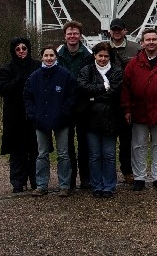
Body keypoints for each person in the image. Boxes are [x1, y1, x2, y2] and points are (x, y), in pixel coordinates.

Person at [121, 27, 157, 191]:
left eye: (154, 39)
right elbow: (126, 88)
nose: (151, 42)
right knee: (138, 145)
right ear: (142, 42)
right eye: (148, 40)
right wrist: (127, 109)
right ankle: (139, 177)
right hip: (139, 110)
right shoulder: (134, 63)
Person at [23, 45, 78, 197]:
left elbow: (72, 95)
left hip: (61, 120)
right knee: (42, 154)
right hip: (41, 121)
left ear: (56, 57)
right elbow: (27, 96)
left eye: (51, 56)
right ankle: (41, 185)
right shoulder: (34, 77)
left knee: (63, 154)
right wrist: (33, 114)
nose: (48, 58)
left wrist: (65, 112)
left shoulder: (65, 75)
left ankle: (64, 185)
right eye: (46, 56)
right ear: (42, 57)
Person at [77, 41, 124, 199]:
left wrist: (93, 97)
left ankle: (109, 186)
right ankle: (97, 185)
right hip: (91, 120)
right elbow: (82, 88)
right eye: (100, 55)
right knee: (95, 155)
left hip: (111, 118)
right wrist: (103, 87)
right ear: (94, 56)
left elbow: (115, 93)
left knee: (109, 155)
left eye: (106, 56)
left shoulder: (117, 71)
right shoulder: (86, 71)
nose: (103, 58)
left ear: (110, 56)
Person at [0, 36, 41, 193]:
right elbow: (2, 89)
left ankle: (37, 180)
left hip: (33, 114)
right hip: (14, 116)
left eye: (24, 48)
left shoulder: (37, 66)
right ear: (13, 51)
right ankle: (18, 181)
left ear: (28, 49)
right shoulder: (6, 69)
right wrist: (20, 80)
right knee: (16, 151)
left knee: (35, 149)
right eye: (18, 49)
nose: (21, 51)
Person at [56, 20, 93, 190]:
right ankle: (69, 179)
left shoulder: (88, 55)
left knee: (84, 143)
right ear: (65, 36)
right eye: (69, 33)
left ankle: (86, 178)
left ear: (80, 35)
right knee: (67, 144)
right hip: (65, 106)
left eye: (75, 33)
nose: (72, 36)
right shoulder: (58, 55)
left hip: (83, 105)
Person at [108, 17, 140, 185]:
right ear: (110, 31)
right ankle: (109, 173)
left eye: (119, 29)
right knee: (109, 141)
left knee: (127, 141)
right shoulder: (103, 49)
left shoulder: (136, 48)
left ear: (125, 30)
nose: (117, 32)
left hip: (128, 101)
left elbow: (150, 57)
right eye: (114, 29)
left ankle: (127, 171)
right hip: (109, 102)